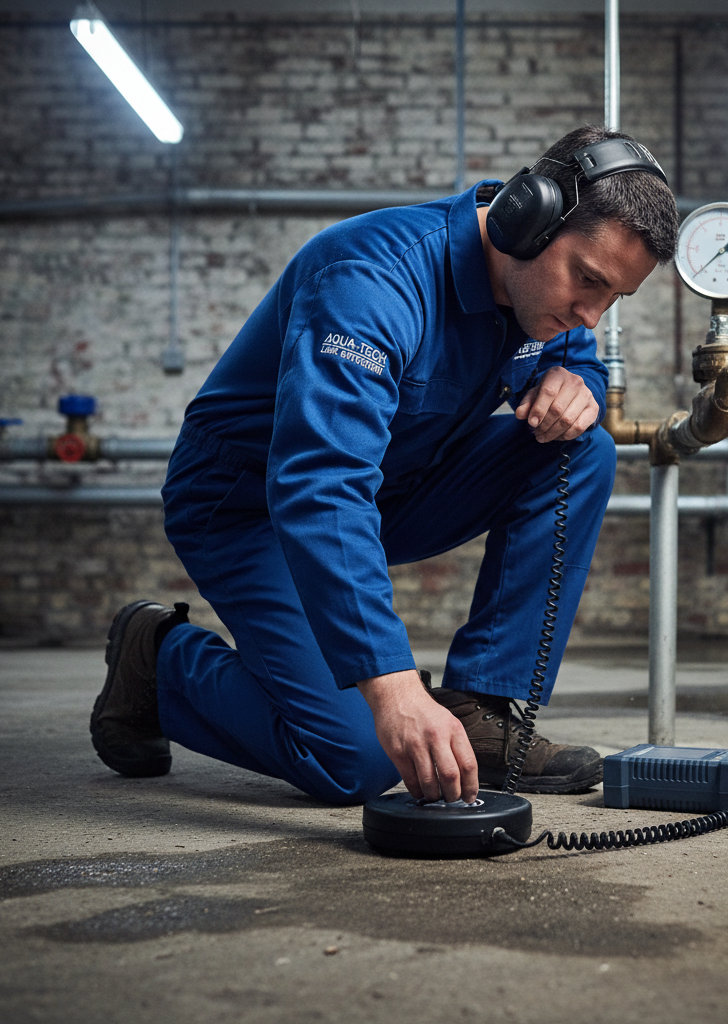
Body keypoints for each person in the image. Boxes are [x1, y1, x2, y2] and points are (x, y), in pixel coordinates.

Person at [90, 125, 678, 808]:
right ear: (529, 217)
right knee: (356, 758)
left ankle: (479, 707)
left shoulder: (534, 294)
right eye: (588, 281)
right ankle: (158, 658)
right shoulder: (370, 281)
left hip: (390, 488)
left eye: (613, 299)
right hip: (251, 506)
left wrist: (578, 381)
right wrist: (393, 686)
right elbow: (321, 484)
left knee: (583, 448)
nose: (590, 313)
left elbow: (569, 348)